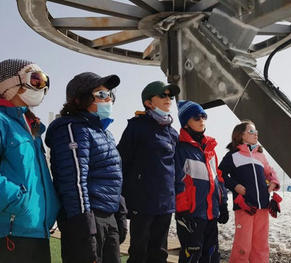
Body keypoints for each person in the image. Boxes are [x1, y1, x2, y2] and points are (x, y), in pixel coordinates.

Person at [45, 72, 124, 263]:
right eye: (100, 95)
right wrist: (85, 230)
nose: (108, 100)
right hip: (86, 219)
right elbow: (74, 181)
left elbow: (114, 175)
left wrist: (120, 212)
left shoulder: (104, 133)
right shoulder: (72, 129)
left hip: (107, 217)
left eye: (109, 95)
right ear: (79, 100)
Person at [0, 59, 60, 263]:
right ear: (9, 84)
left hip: (37, 230)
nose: (42, 87)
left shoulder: (30, 127)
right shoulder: (2, 121)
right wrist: (17, 200)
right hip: (12, 231)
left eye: (45, 82)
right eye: (36, 79)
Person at [117, 81, 180, 263]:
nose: (168, 99)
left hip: (166, 203)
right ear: (148, 103)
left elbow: (175, 168)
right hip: (142, 202)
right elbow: (122, 161)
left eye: (170, 96)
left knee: (159, 253)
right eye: (163, 95)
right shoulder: (136, 127)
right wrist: (124, 198)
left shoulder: (173, 133)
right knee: (139, 252)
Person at [218, 120, 281, 263]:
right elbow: (220, 173)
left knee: (261, 245)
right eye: (251, 131)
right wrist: (235, 185)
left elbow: (270, 172)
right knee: (243, 245)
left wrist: (273, 182)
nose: (256, 134)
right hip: (245, 206)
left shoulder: (260, 155)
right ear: (241, 135)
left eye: (256, 131)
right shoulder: (233, 155)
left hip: (263, 206)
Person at [174, 100, 228, 263]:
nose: (202, 120)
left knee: (211, 256)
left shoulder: (210, 150)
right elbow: (177, 181)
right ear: (186, 123)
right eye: (196, 117)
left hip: (211, 214)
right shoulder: (180, 149)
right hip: (191, 215)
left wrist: (223, 204)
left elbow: (218, 179)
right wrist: (183, 211)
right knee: (192, 256)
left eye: (203, 116)